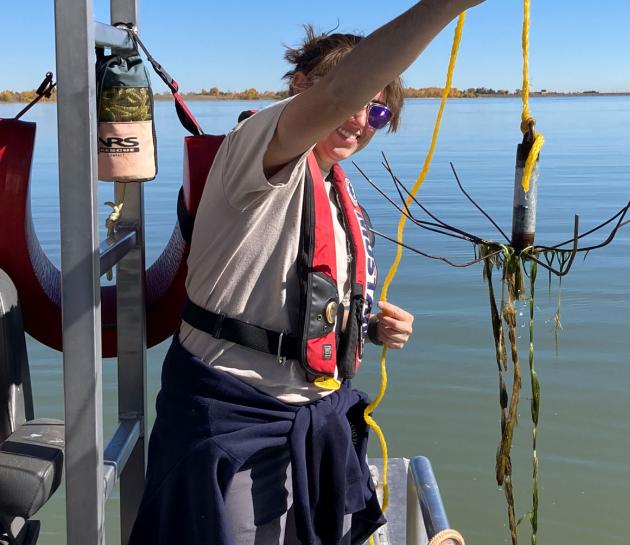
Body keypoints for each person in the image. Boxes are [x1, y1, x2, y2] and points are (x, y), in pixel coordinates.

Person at [128, 2, 486, 544]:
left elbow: (301, 294)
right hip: (233, 418)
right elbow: (340, 97)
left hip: (317, 418)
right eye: (359, 98)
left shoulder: (340, 194)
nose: (362, 119)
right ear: (301, 88)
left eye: (381, 113)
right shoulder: (258, 154)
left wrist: (367, 325)